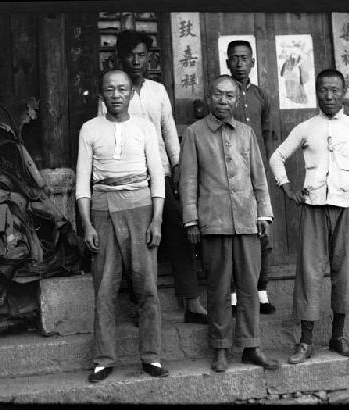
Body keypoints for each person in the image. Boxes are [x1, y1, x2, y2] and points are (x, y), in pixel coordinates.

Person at [269, 69, 349, 364]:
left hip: (345, 207)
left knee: (343, 269)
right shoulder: (306, 127)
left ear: (344, 91)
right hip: (312, 206)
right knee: (310, 271)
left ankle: (338, 336)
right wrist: (286, 188)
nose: (330, 95)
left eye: (335, 90)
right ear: (317, 92)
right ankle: (306, 341)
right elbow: (277, 157)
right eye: (324, 90)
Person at [98, 30, 207, 324]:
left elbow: (169, 130)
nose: (136, 60)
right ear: (120, 57)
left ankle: (192, 301)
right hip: (129, 177)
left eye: (142, 55)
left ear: (149, 58)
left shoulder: (157, 91)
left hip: (159, 173)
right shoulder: (114, 91)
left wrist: (176, 165)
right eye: (130, 55)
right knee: (137, 241)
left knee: (179, 229)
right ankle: (140, 305)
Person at [179, 75, 280, 373]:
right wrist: (191, 220)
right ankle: (220, 348)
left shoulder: (247, 132)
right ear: (209, 98)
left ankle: (251, 346)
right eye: (218, 95)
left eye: (230, 97)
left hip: (248, 221)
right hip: (213, 222)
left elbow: (258, 177)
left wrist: (264, 214)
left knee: (249, 287)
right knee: (219, 288)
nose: (224, 101)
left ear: (237, 101)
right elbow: (187, 180)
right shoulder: (195, 133)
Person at [76, 69, 169, 381]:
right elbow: (82, 183)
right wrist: (87, 224)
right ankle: (103, 359)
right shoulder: (89, 129)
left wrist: (156, 219)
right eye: (110, 89)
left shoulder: (144, 127)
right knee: (104, 288)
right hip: (102, 209)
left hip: (140, 208)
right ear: (101, 93)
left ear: (131, 93)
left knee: (146, 285)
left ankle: (151, 356)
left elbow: (157, 176)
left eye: (122, 89)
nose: (116, 95)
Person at [225, 40, 276, 315]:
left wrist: (265, 171)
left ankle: (261, 291)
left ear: (253, 62)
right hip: (231, 176)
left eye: (245, 58)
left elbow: (267, 134)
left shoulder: (261, 96)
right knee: (233, 234)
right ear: (228, 63)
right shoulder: (224, 95)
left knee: (263, 233)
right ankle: (233, 295)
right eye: (235, 58)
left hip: (257, 175)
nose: (240, 63)